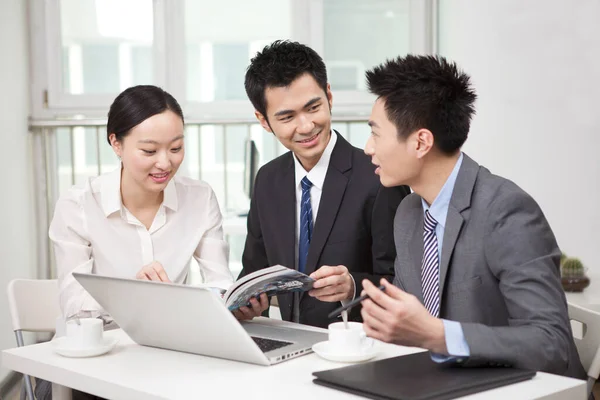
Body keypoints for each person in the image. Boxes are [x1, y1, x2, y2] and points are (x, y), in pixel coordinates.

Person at [359, 54, 586, 378]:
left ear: (421, 141)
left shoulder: (507, 211)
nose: (368, 147)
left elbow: (551, 345)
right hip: (445, 383)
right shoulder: (408, 213)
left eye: (376, 133)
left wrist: (438, 335)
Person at [238, 40, 409, 328]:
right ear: (264, 121)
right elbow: (253, 273)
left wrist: (353, 285)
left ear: (329, 96)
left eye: (313, 107)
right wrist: (246, 306)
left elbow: (406, 281)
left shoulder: (380, 177)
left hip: (357, 349)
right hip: (288, 345)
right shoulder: (267, 180)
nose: (306, 127)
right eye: (287, 117)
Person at [49, 85, 234, 321]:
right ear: (116, 143)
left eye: (176, 148)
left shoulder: (200, 197)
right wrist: (131, 294)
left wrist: (235, 301)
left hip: (165, 343)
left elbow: (220, 281)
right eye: (149, 151)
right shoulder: (79, 204)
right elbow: (74, 305)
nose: (165, 163)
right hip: (97, 346)